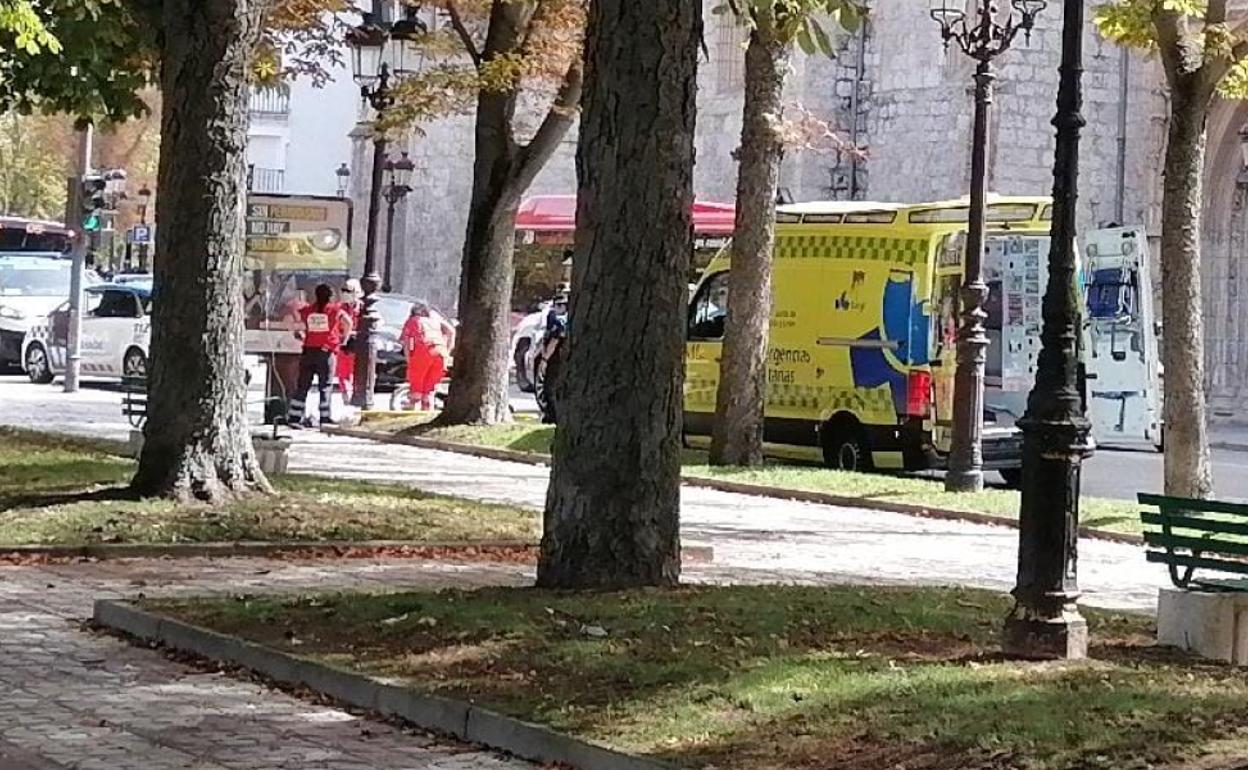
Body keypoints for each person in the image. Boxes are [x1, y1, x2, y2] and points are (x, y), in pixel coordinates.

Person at [287, 283, 352, 428]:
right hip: (326, 351)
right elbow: (348, 322)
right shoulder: (335, 310)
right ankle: (324, 417)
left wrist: (299, 334)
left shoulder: (309, 311)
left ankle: (294, 417)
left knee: (302, 386)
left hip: (308, 351)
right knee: (325, 386)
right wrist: (344, 339)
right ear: (331, 296)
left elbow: (292, 321)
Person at [399, 301, 455, 411]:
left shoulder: (413, 320)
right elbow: (451, 332)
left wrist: (409, 359)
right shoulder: (435, 321)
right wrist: (447, 350)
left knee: (416, 386)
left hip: (423, 351)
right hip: (441, 352)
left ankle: (412, 409)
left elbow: (406, 342)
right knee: (429, 391)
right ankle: (427, 411)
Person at [336, 279, 362, 402]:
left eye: (348, 291)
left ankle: (354, 394)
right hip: (342, 344)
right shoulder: (339, 307)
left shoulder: (364, 308)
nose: (345, 293)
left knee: (357, 371)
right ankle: (346, 395)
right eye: (343, 290)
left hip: (358, 345)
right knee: (343, 372)